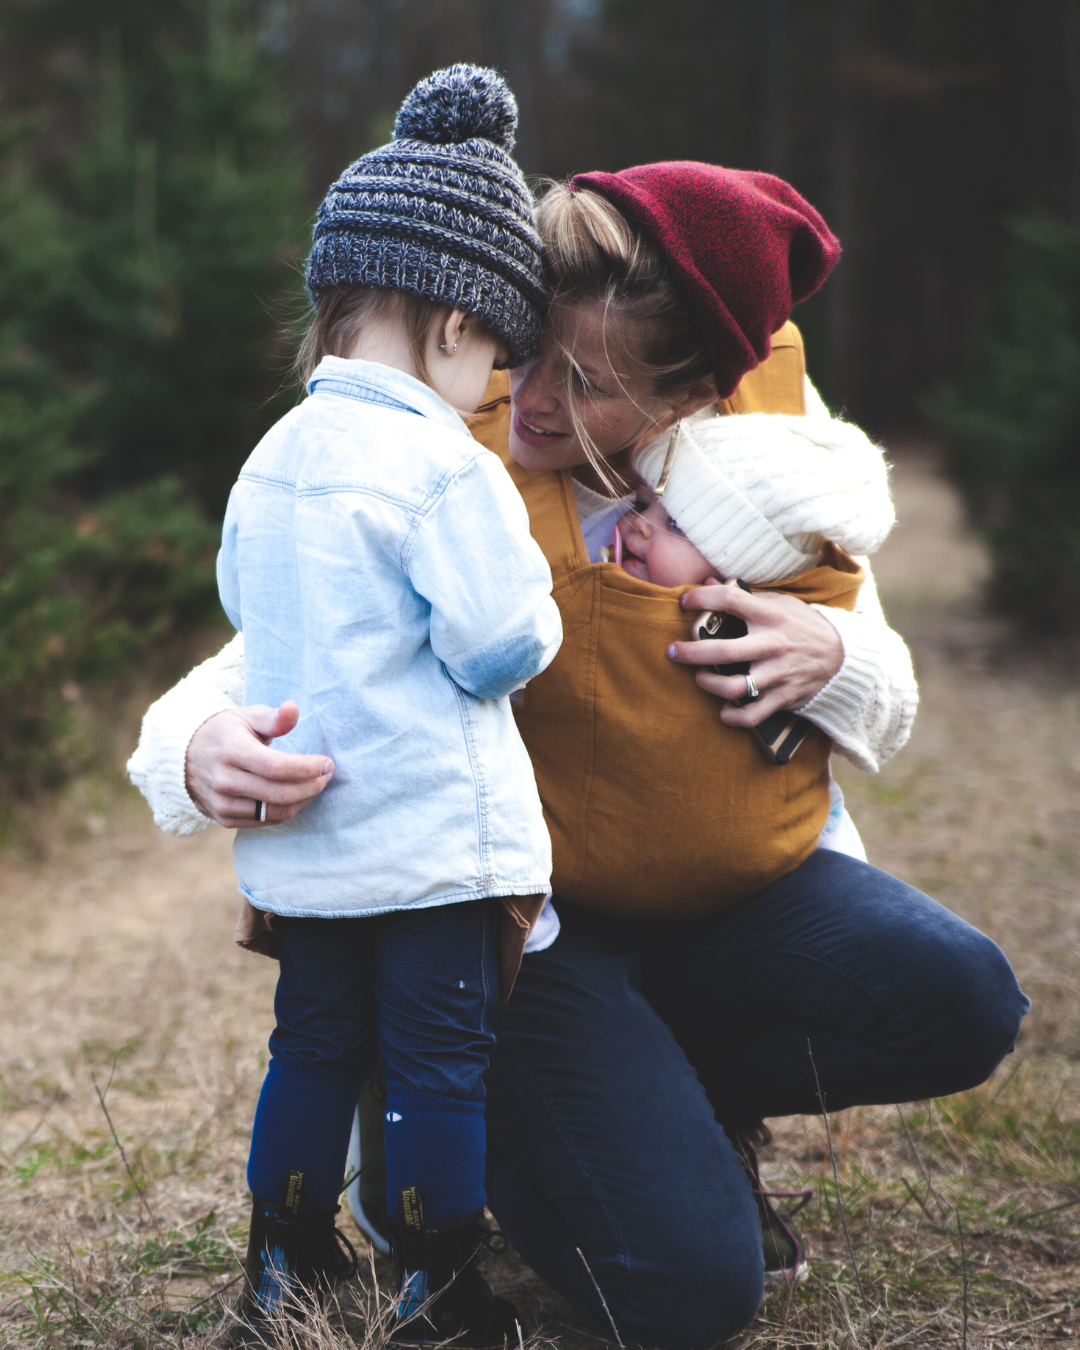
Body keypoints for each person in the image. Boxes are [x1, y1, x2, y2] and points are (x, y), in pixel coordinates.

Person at [130, 160, 1029, 1349]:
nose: (534, 398)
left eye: (590, 383)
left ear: (694, 394)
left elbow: (887, 685)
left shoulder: (764, 472)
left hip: (731, 901)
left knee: (963, 999)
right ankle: (490, 1106)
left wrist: (836, 654)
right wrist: (191, 747)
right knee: (688, 1293)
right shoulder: (448, 448)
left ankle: (676, 1098)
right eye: (529, 353)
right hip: (525, 931)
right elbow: (283, 639)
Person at [211, 65, 564, 1345]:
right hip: (430, 845)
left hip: (306, 843)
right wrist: (540, 602)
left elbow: (248, 607)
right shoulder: (440, 462)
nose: (496, 390)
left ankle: (282, 1258)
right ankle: (436, 1278)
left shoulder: (273, 454)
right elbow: (495, 645)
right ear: (457, 323)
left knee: (308, 1042)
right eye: (500, 359)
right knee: (432, 1064)